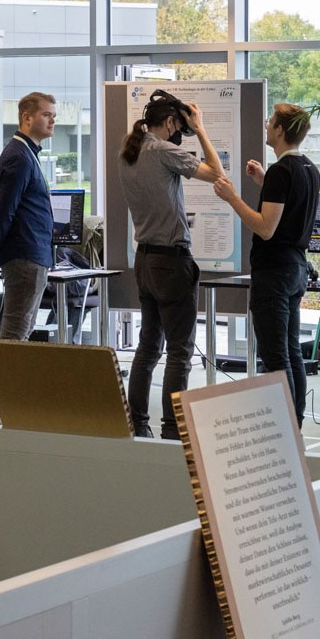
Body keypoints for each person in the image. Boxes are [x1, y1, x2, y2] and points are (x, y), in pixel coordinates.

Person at [119, 91, 225, 438]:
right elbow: (216, 173)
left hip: (144, 260)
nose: (182, 132)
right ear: (169, 123)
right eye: (179, 126)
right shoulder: (162, 150)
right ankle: (171, 432)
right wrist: (203, 130)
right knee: (179, 352)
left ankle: (137, 425)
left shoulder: (129, 151)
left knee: (148, 347)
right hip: (171, 261)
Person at [213, 103, 320, 425]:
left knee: (276, 357)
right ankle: (295, 422)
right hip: (296, 268)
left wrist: (233, 198)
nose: (266, 124)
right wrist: (263, 181)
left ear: (280, 130)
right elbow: (288, 209)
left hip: (273, 272)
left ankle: (284, 426)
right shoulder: (309, 169)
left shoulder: (281, 171)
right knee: (291, 353)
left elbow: (265, 227)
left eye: (270, 121)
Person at [0, 92, 56, 340]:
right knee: (14, 340)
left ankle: (13, 380)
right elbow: (5, 213)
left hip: (31, 256)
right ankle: (7, 381)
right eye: (46, 115)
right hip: (25, 259)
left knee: (19, 338)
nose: (52, 121)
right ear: (26, 117)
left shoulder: (27, 154)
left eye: (53, 116)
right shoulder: (18, 158)